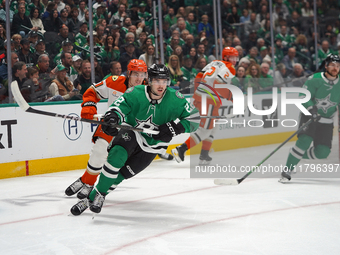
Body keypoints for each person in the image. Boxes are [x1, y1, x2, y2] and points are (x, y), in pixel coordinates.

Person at [69, 63, 199, 215]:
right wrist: (112, 118)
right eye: (157, 81)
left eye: (164, 81)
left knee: (120, 176)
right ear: (149, 81)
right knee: (116, 156)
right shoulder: (135, 92)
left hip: (154, 146)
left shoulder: (176, 99)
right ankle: (92, 196)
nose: (161, 85)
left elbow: (195, 119)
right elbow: (118, 108)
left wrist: (174, 128)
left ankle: (94, 196)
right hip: (132, 134)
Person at [65, 59, 148, 199]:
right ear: (129, 73)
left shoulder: (148, 91)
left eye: (142, 74)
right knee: (99, 150)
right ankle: (88, 182)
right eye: (135, 74)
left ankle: (88, 182)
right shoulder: (114, 82)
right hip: (112, 124)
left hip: (132, 132)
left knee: (114, 162)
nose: (139, 78)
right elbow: (93, 91)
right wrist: (89, 106)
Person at [171, 47, 238, 165]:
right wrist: (231, 97)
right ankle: (180, 149)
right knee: (205, 130)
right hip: (210, 100)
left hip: (203, 97)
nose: (235, 60)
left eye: (236, 57)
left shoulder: (214, 63)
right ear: (226, 57)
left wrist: (199, 93)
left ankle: (204, 155)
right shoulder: (230, 68)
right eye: (233, 57)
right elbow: (218, 84)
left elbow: (198, 77)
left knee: (214, 126)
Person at [280, 54, 340, 182]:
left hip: (327, 121)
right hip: (310, 116)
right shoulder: (314, 79)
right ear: (326, 66)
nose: (335, 68)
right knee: (304, 141)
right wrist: (311, 109)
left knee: (323, 153)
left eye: (338, 66)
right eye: (333, 65)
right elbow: (303, 96)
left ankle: (296, 154)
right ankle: (287, 170)